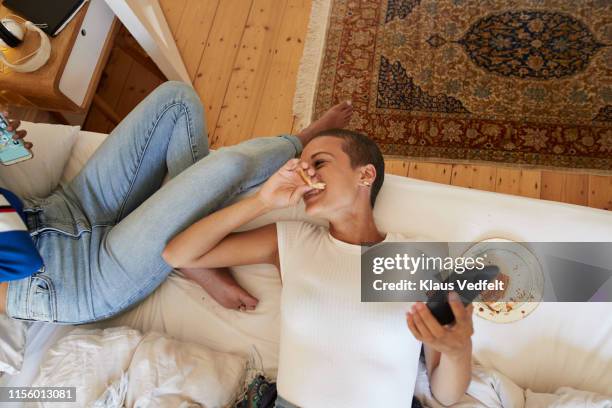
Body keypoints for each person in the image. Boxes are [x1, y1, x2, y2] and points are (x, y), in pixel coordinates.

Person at [163, 129, 474, 407]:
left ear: (365, 175)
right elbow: (177, 254)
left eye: (319, 163)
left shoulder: (415, 257)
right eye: (302, 166)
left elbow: (446, 395)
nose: (306, 174)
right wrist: (263, 202)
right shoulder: (292, 240)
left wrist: (458, 351)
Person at [0, 81, 353, 324]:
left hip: (56, 212)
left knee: (176, 99)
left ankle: (193, 256)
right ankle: (301, 141)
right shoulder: (376, 261)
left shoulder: (400, 263)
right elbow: (19, 258)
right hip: (68, 279)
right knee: (227, 166)